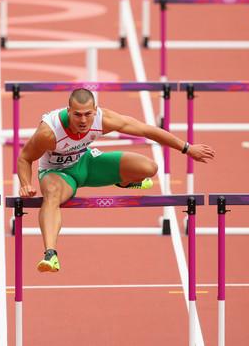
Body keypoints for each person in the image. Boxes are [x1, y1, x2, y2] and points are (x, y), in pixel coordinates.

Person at [17, 88, 215, 272]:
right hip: (58, 174)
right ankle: (51, 254)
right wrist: (25, 184)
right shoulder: (49, 132)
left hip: (87, 162)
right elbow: (24, 158)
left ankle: (124, 181)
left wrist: (187, 148)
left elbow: (147, 130)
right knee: (51, 196)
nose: (83, 120)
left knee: (149, 168)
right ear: (69, 111)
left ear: (95, 110)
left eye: (88, 114)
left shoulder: (104, 119)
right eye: (77, 114)